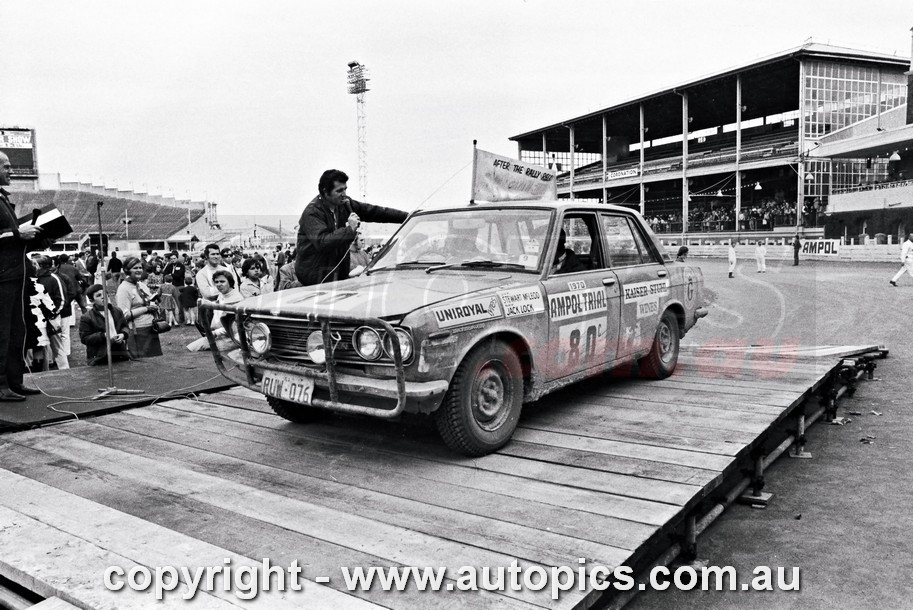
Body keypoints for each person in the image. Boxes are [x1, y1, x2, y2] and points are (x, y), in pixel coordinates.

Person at [295, 169, 408, 286]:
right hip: (315, 279)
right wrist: (350, 229)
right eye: (339, 191)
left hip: (338, 276)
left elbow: (373, 211)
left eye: (345, 189)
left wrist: (406, 216)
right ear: (325, 192)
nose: (344, 194)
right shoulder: (312, 213)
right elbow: (323, 242)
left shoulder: (344, 204)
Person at [116, 256, 163, 358]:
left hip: (151, 328)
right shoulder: (123, 289)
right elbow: (124, 315)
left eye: (140, 267)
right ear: (127, 270)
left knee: (155, 362)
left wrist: (155, 304)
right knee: (142, 365)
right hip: (137, 331)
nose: (139, 270)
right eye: (135, 268)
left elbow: (150, 300)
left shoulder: (141, 285)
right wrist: (146, 309)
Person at [79, 283, 130, 366]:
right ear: (92, 300)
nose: (103, 297)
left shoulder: (117, 311)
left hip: (119, 352)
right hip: (100, 356)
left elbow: (125, 326)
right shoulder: (87, 317)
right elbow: (85, 338)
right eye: (98, 295)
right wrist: (103, 335)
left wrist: (123, 334)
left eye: (105, 294)